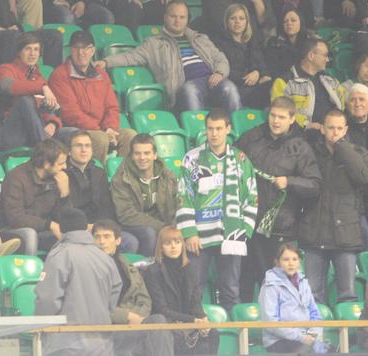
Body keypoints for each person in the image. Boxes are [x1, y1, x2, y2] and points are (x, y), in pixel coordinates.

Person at [236, 96, 322, 299]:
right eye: (273, 116)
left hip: (280, 228)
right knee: (244, 284)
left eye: (282, 117)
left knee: (277, 288)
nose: (275, 121)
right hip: (248, 225)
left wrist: (289, 182)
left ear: (292, 119)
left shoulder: (301, 147)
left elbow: (315, 185)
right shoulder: (251, 137)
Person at [177, 109, 258, 309]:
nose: (214, 133)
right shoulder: (192, 159)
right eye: (210, 129)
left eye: (219, 129)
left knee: (230, 290)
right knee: (193, 290)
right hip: (199, 238)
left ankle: (232, 328)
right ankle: (194, 328)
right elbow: (183, 197)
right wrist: (189, 233)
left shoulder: (240, 159)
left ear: (228, 129)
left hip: (231, 235)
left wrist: (244, 231)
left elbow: (252, 197)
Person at [101, 0, 242, 113]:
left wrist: (219, 73)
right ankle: (197, 131)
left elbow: (220, 58)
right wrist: (106, 62)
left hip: (212, 80)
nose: (177, 20)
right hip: (185, 86)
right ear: (165, 17)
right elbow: (131, 57)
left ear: (187, 19)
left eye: (182, 17)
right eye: (173, 16)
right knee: (190, 91)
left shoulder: (200, 38)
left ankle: (235, 133)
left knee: (230, 88)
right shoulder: (154, 43)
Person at [301, 109, 368, 305]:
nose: (335, 133)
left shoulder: (359, 153)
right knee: (312, 296)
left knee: (348, 295)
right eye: (331, 128)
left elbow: (364, 177)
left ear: (346, 130)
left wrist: (342, 148)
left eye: (339, 128)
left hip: (345, 235)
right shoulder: (311, 153)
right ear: (322, 129)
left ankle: (346, 327)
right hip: (315, 233)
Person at [34, 207, 122, 356]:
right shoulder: (105, 259)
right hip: (102, 343)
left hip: (66, 343)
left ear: (62, 229)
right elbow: (113, 297)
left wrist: (39, 325)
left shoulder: (59, 255)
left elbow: (48, 299)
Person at [49, 30, 137, 163]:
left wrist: (110, 128)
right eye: (76, 48)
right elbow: (70, 113)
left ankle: (120, 174)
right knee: (100, 139)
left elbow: (112, 107)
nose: (81, 53)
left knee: (130, 136)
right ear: (70, 50)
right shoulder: (60, 75)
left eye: (86, 48)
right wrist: (101, 131)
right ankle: (96, 174)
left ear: (93, 51)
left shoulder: (101, 74)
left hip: (100, 129)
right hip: (70, 129)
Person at [91, 219, 174, 356]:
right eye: (97, 237)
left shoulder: (125, 263)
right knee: (153, 336)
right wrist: (128, 317)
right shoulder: (90, 266)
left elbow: (144, 298)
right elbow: (95, 304)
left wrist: (138, 317)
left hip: (133, 322)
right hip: (108, 326)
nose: (102, 241)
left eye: (106, 236)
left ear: (118, 240)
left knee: (158, 320)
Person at [144, 225, 220, 355]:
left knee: (212, 332)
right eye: (168, 243)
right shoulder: (153, 271)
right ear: (161, 247)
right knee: (178, 335)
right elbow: (161, 309)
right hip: (167, 323)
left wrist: (203, 320)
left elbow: (196, 302)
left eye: (177, 242)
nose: (173, 246)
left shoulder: (190, 269)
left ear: (182, 245)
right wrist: (192, 320)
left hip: (187, 321)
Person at [110, 133, 179, 256]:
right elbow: (126, 215)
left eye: (147, 153)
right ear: (131, 155)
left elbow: (177, 202)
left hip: (161, 222)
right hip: (128, 225)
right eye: (137, 153)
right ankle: (149, 267)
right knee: (149, 233)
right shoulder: (121, 178)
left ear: (155, 155)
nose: (142, 157)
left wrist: (174, 227)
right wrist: (162, 227)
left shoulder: (167, 176)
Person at [0, 139, 69, 254]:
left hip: (42, 230)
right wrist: (49, 225)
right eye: (61, 163)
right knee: (30, 235)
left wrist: (64, 194)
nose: (65, 167)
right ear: (46, 164)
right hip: (11, 230)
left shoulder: (57, 178)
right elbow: (15, 218)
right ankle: (29, 266)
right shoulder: (16, 177)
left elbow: (62, 218)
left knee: (72, 236)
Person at [0, 33, 61, 150]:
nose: (32, 54)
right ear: (19, 51)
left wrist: (53, 123)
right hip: (6, 132)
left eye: (36, 49)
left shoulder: (39, 78)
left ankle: (51, 152)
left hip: (33, 132)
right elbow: (6, 86)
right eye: (28, 49)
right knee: (25, 100)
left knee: (71, 134)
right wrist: (42, 87)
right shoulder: (4, 69)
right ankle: (46, 151)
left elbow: (47, 107)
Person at [259, 242, 327, 354]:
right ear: (277, 262)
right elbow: (271, 322)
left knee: (337, 351)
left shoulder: (304, 282)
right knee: (311, 352)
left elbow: (315, 315)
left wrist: (313, 336)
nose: (291, 263)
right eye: (286, 259)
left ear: (299, 262)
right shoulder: (270, 285)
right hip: (278, 340)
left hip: (306, 338)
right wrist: (300, 337)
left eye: (294, 259)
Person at [271, 37, 347, 129]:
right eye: (325, 55)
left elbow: (343, 101)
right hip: (304, 132)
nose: (327, 59)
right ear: (311, 56)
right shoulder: (284, 82)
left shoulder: (330, 80)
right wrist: (306, 124)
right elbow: (280, 111)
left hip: (334, 129)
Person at [214, 3, 273, 108]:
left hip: (253, 85)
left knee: (272, 85)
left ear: (247, 22)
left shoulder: (252, 41)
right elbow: (225, 69)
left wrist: (258, 72)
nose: (237, 22)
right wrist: (250, 79)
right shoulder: (220, 43)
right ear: (227, 22)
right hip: (235, 86)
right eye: (233, 18)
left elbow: (260, 63)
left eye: (241, 18)